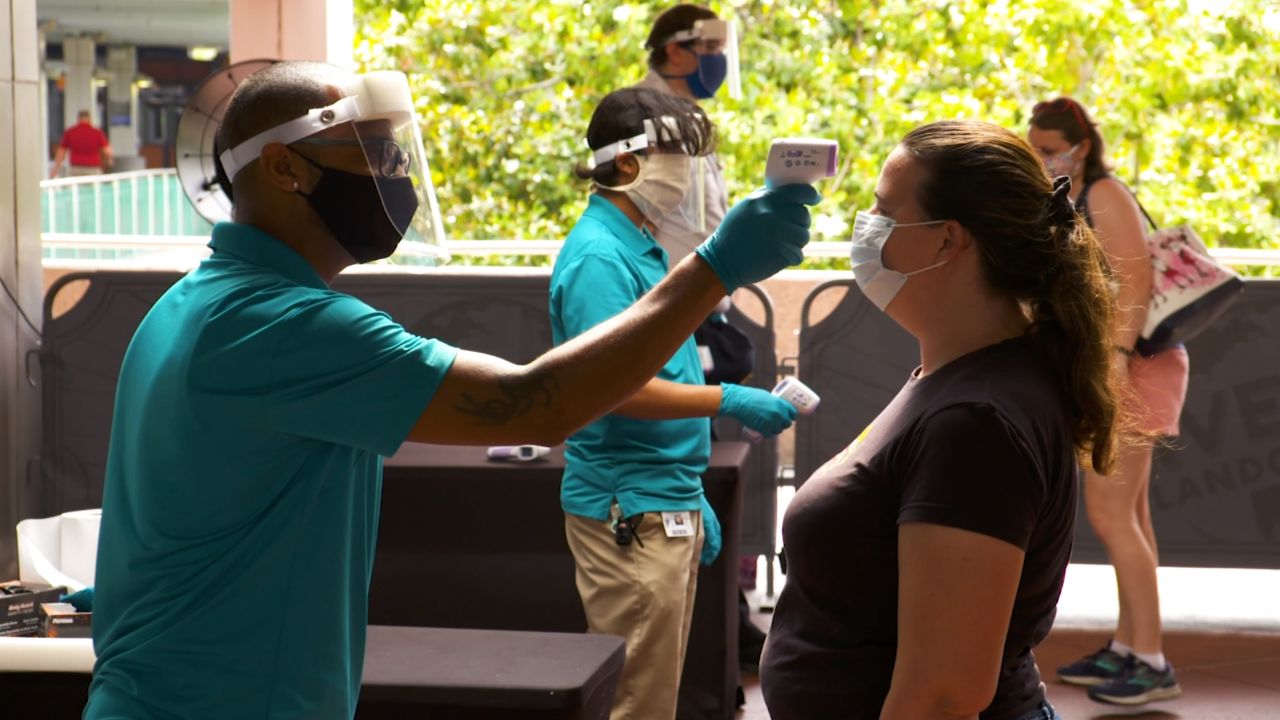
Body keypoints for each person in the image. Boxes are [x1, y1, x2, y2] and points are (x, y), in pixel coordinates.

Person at [84, 61, 820, 720]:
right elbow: (537, 403)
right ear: (284, 168)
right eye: (373, 154)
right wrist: (715, 270)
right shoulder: (284, 325)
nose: (393, 175)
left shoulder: (195, 303)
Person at [760, 119, 1124, 720]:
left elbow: (943, 697)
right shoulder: (957, 377)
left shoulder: (976, 424)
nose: (865, 227)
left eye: (882, 210)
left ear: (946, 241)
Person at [552, 87, 797, 720]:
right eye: (679, 156)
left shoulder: (641, 245)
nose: (690, 173)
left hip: (659, 496)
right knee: (634, 699)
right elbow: (616, 388)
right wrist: (728, 397)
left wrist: (683, 493)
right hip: (630, 505)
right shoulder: (600, 258)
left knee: (653, 689)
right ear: (627, 163)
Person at [1030, 96, 1189, 705]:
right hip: (1125, 365)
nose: (1041, 160)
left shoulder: (1104, 193)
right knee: (1132, 516)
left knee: (1112, 515)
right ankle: (1130, 645)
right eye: (1035, 150)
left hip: (1136, 367)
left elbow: (1136, 281)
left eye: (1049, 150)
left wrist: (1115, 365)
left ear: (1081, 147)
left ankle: (1150, 662)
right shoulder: (1072, 198)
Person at [50, 109, 113, 178]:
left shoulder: (70, 132)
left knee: (75, 188)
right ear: (90, 118)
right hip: (93, 169)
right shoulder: (97, 133)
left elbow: (61, 153)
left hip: (75, 169)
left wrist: (55, 169)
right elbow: (107, 152)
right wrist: (109, 161)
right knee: (93, 188)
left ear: (78, 119)